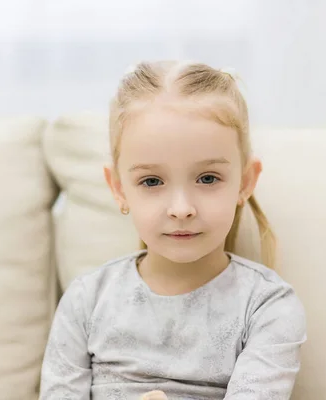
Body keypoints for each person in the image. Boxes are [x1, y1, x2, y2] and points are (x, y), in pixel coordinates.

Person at [39, 61, 307, 400]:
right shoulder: (86, 302)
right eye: (152, 181)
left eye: (208, 178)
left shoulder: (267, 306)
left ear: (246, 181)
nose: (181, 208)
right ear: (119, 188)